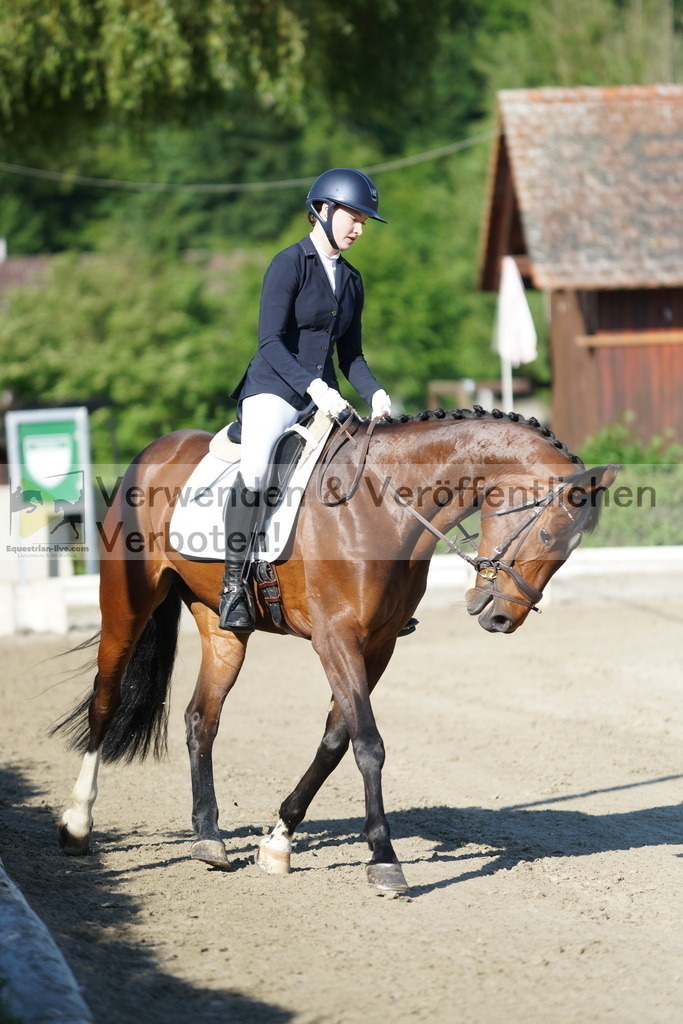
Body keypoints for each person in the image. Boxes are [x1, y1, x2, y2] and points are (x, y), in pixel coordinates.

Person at [219, 167, 393, 632]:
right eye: (353, 217)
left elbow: (351, 354)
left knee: (364, 465)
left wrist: (374, 392)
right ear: (323, 210)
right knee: (256, 471)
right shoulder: (288, 263)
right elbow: (270, 343)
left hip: (325, 397)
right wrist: (316, 388)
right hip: (274, 389)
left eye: (363, 220)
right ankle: (233, 586)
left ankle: (374, 589)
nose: (359, 228)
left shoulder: (352, 280)